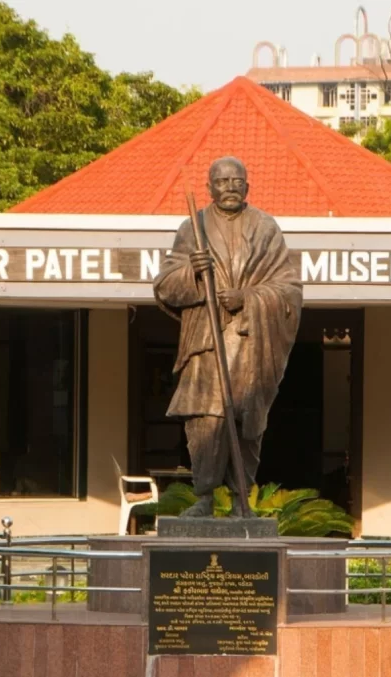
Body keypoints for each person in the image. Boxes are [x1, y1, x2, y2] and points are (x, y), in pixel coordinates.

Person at [152, 157, 303, 517]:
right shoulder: (194, 227)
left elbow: (289, 288)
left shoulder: (266, 228)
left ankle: (240, 500)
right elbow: (165, 285)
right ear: (210, 188)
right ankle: (204, 496)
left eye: (237, 181)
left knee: (245, 419)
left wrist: (248, 298)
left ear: (248, 186)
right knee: (206, 419)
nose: (230, 187)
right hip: (207, 341)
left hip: (251, 341)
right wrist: (194, 272)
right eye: (223, 181)